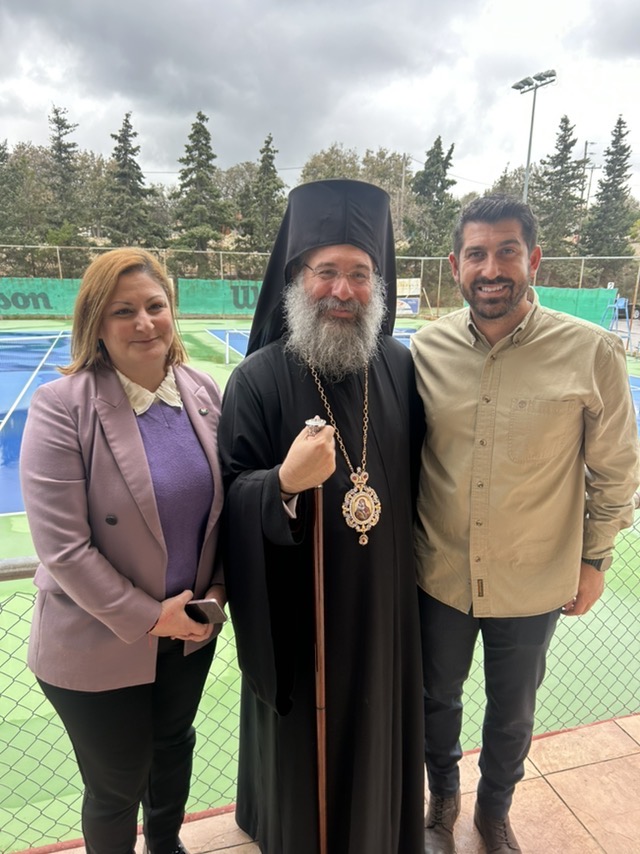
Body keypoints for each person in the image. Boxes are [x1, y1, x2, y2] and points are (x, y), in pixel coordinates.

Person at [411, 194, 640, 854]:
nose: (492, 269)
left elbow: (616, 471)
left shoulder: (591, 352)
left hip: (534, 578)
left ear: (533, 259)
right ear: (455, 266)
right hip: (439, 574)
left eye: (507, 252)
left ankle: (495, 811)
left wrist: (594, 560)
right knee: (435, 701)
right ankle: (441, 803)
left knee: (512, 713)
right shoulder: (423, 351)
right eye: (477, 255)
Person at [218, 179, 425, 854]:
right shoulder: (255, 379)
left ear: (378, 284)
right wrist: (281, 484)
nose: (343, 290)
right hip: (301, 613)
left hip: (384, 608)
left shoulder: (402, 368)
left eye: (360, 274)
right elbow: (229, 498)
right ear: (296, 278)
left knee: (378, 720)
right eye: (326, 271)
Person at [19, 248, 226, 854]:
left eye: (155, 306)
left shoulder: (201, 390)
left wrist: (214, 595)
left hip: (188, 633)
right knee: (118, 785)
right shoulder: (62, 405)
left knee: (172, 754)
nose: (144, 323)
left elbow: (225, 511)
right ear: (96, 323)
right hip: (97, 639)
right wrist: (151, 617)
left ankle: (167, 846)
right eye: (122, 311)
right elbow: (63, 548)